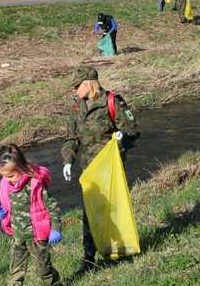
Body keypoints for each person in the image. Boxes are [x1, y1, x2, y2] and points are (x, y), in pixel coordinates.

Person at [61, 66, 139, 274]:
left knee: (113, 208)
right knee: (90, 212)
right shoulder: (77, 107)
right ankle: (89, 258)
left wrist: (121, 140)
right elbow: (71, 138)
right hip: (88, 170)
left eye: (77, 86)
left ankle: (120, 250)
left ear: (89, 83)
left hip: (110, 168)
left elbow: (132, 130)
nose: (75, 90)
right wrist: (67, 160)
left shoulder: (112, 101)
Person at [0, 145, 63, 286]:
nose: (7, 180)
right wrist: (2, 215)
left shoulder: (34, 185)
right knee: (15, 271)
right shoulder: (6, 184)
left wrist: (56, 228)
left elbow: (53, 207)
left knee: (43, 270)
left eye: (10, 176)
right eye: (3, 176)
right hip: (18, 235)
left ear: (21, 168)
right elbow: (8, 205)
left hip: (36, 236)